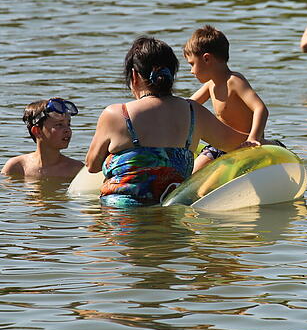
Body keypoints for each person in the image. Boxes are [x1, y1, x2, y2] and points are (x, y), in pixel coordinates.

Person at [84, 36, 249, 206]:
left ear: (134, 75)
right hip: (172, 223)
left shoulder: (116, 114)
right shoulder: (194, 112)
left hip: (120, 223)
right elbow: (240, 144)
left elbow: (92, 165)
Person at [183, 25, 269, 172]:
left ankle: (269, 144)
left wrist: (253, 138)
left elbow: (260, 108)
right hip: (223, 146)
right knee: (194, 173)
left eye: (192, 64)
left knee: (199, 168)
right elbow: (187, 106)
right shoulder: (211, 85)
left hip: (245, 144)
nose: (191, 71)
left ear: (207, 59)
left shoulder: (234, 81)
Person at [1, 98, 84, 179]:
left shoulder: (76, 170)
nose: (67, 130)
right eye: (59, 125)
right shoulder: (17, 167)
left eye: (68, 124)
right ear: (37, 131)